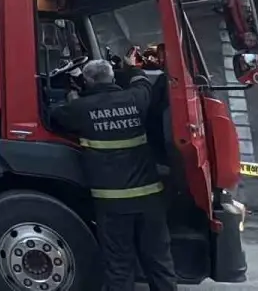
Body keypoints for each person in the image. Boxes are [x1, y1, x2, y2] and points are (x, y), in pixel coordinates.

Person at [49, 58, 178, 291]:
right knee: (159, 263)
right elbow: (142, 82)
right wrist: (130, 67)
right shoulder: (136, 98)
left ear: (87, 81)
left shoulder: (81, 109)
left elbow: (55, 116)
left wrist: (73, 95)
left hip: (113, 204)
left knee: (119, 266)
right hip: (150, 199)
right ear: (112, 78)